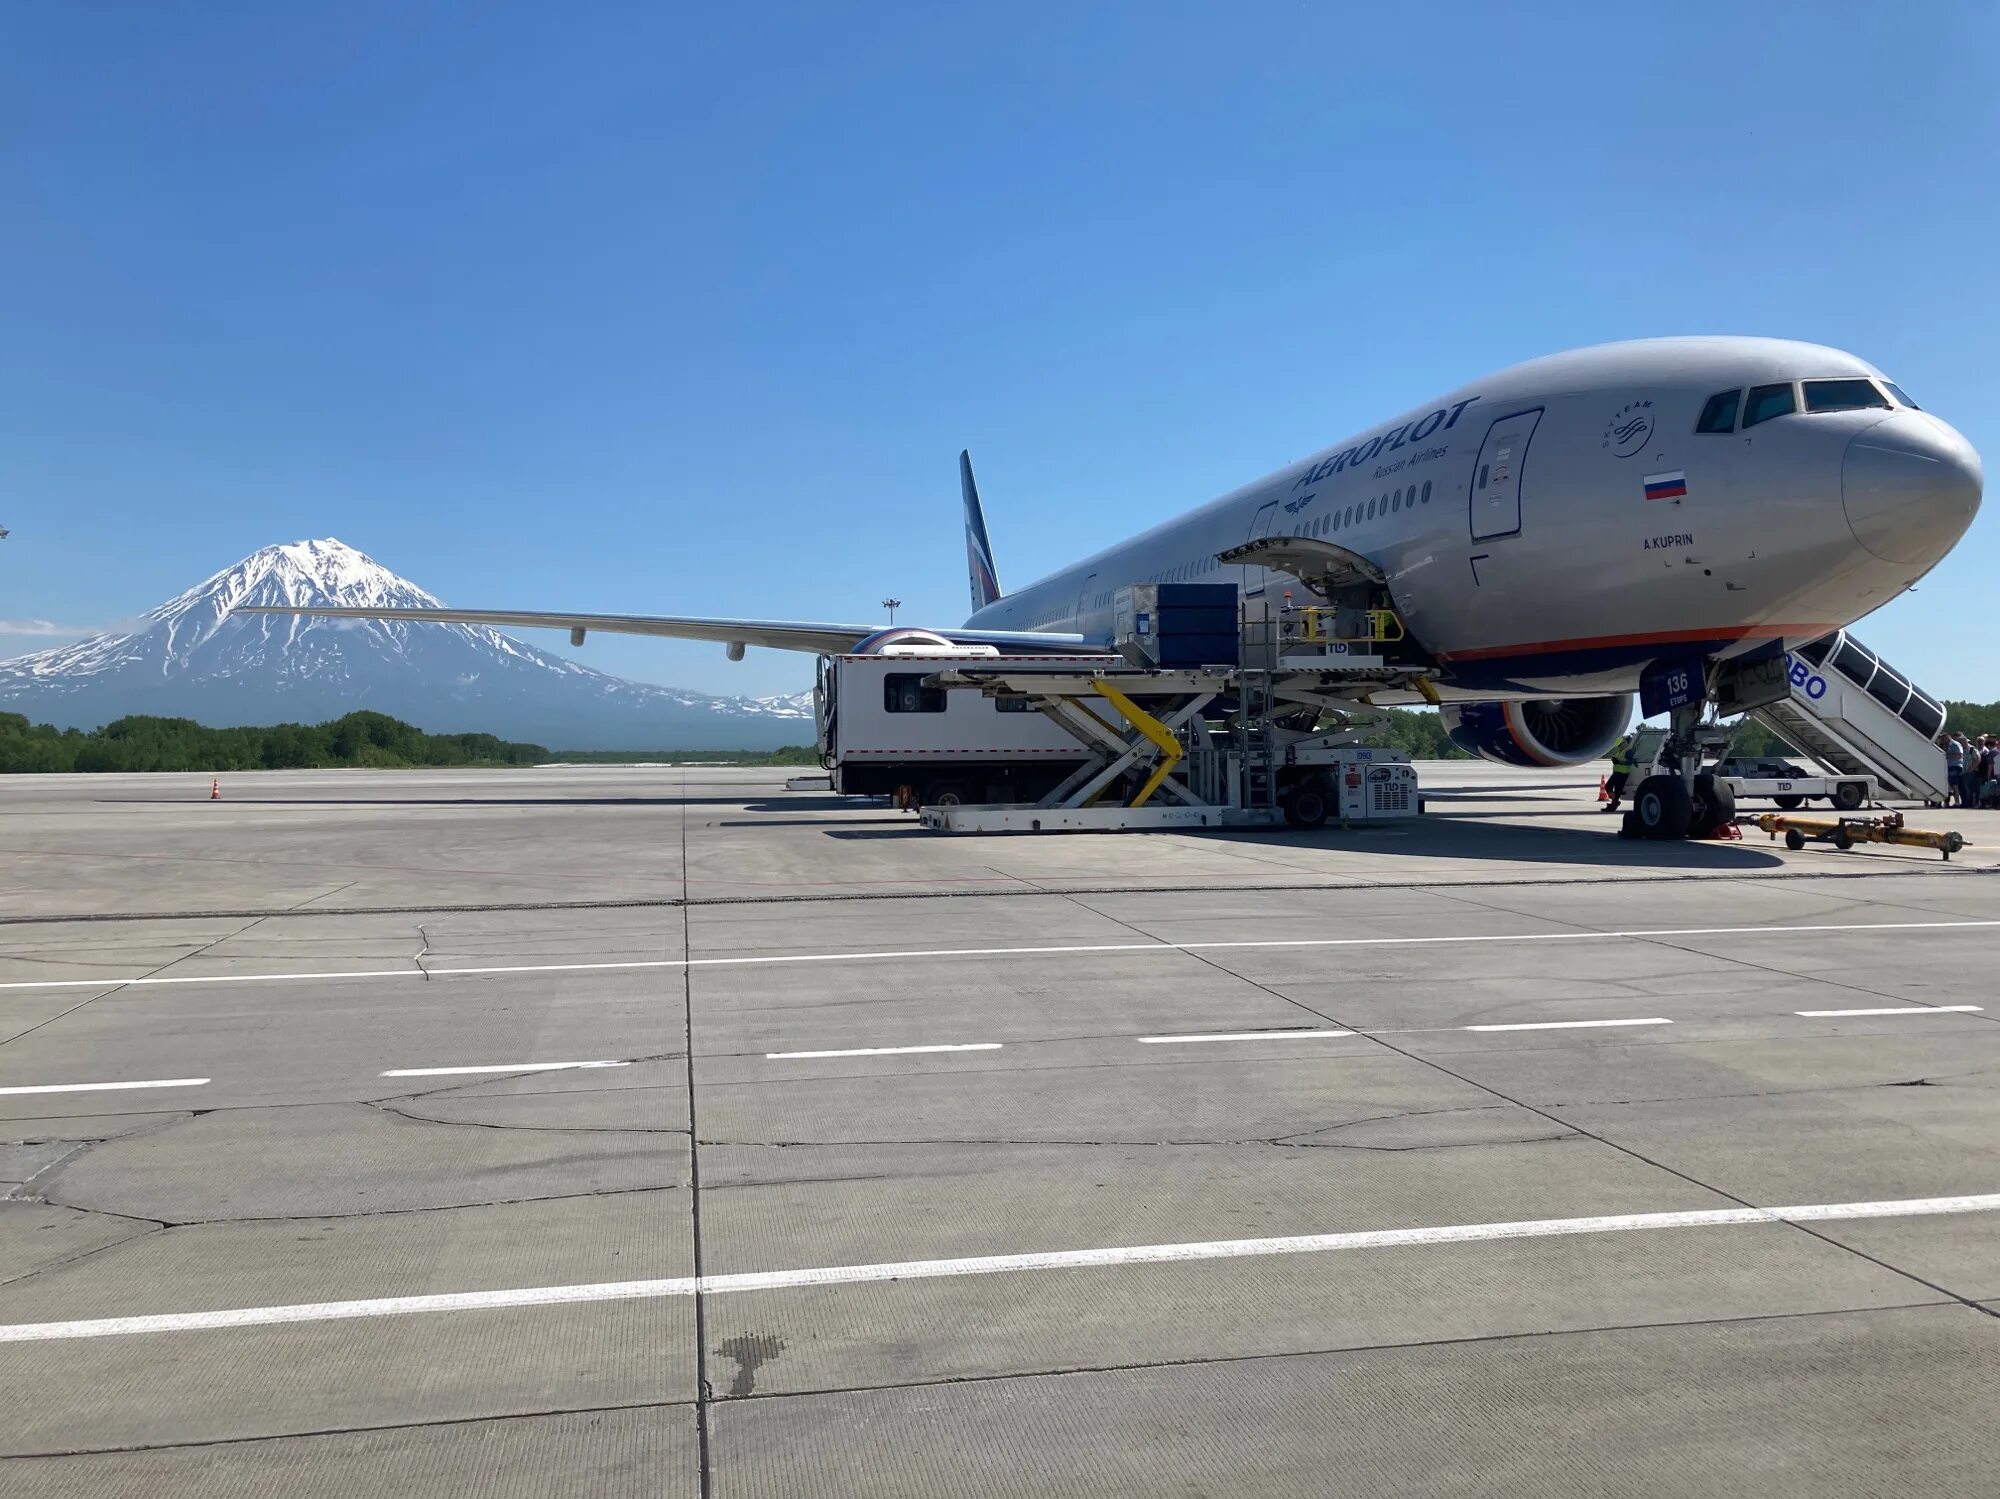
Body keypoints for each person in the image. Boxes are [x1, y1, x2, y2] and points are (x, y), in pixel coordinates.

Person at [1603, 731, 1637, 812]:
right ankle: (1614, 802)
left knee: (1611, 787)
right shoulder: (1620, 751)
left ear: (1623, 743)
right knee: (1612, 788)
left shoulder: (1628, 751)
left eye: (1619, 745)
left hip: (1622, 773)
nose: (1619, 747)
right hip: (1617, 772)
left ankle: (1614, 804)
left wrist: (1619, 762)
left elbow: (1630, 762)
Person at [1943, 732, 1966, 807]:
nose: (1943, 740)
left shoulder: (1955, 744)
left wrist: (1947, 755)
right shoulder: (1947, 745)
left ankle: (1957, 802)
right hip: (1949, 766)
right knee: (1950, 785)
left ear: (1947, 737)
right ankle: (1949, 802)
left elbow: (1959, 755)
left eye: (1943, 738)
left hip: (1955, 766)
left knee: (1955, 785)